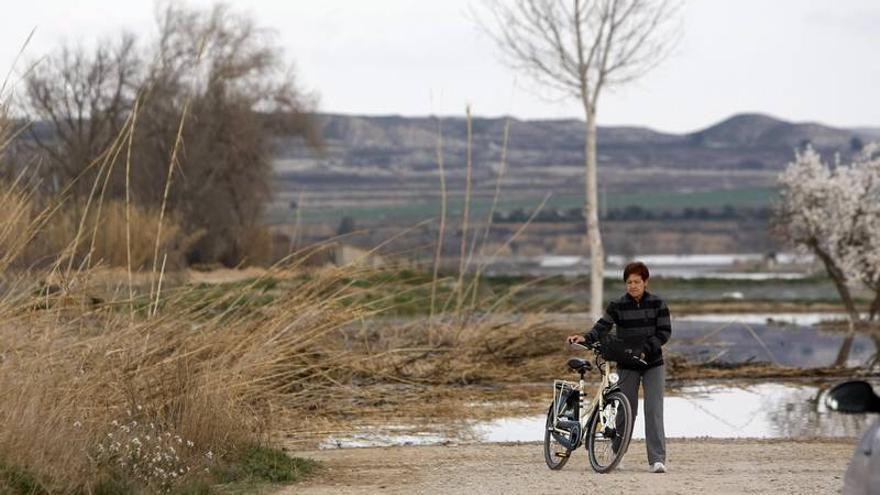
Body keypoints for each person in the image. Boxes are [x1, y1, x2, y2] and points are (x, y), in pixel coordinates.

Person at [567, 261, 671, 473]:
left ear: (645, 282)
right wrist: (585, 338)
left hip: (653, 364)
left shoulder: (658, 304)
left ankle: (657, 460)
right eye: (629, 282)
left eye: (637, 282)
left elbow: (664, 333)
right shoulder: (617, 305)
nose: (632, 285)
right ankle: (617, 454)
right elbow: (601, 327)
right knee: (625, 411)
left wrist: (645, 349)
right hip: (627, 364)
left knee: (654, 411)